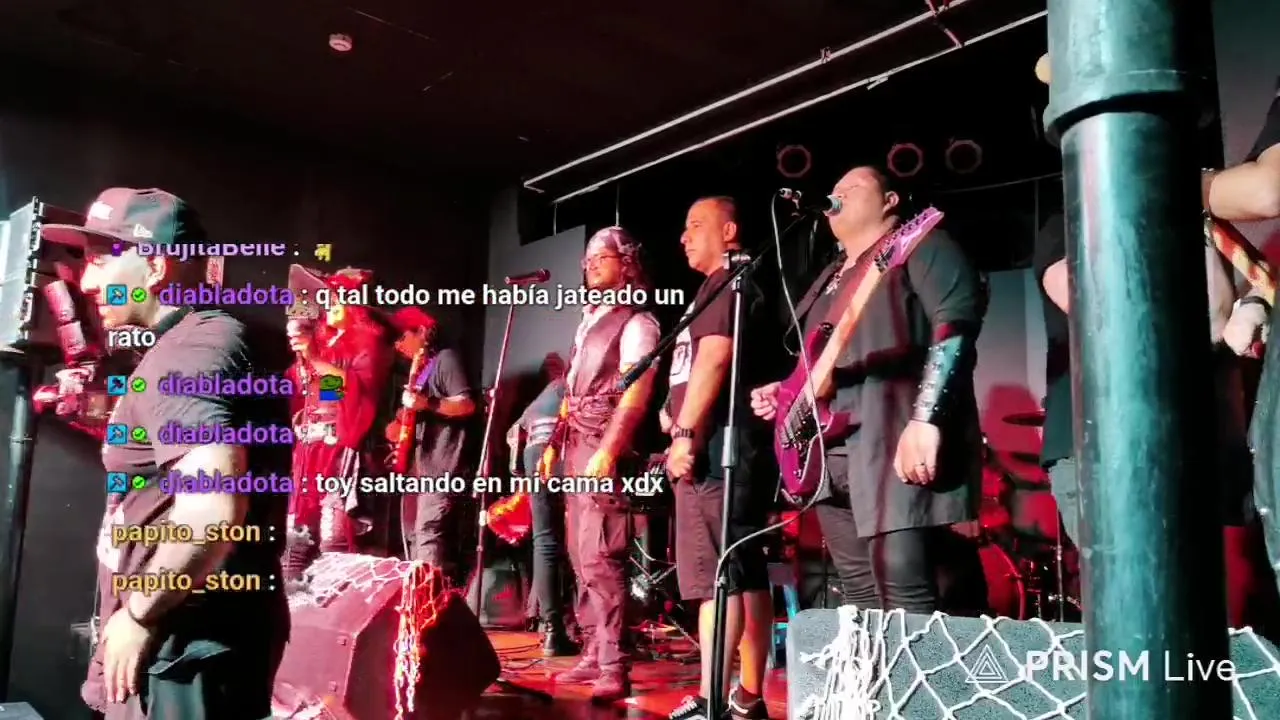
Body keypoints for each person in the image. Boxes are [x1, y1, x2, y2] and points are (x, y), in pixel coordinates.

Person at [1033, 55, 1279, 627]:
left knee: (1205, 595)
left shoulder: (1201, 213)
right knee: (1135, 602)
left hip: (1199, 429)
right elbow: (1097, 304)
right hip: (1106, 439)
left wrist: (1249, 308)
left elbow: (1256, 279)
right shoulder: (1070, 219)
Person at [52, 188, 291, 719]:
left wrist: (139, 614)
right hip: (190, 642)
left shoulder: (190, 353)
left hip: (181, 647)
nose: (86, 282)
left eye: (99, 261)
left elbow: (211, 512)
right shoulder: (194, 344)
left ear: (157, 266)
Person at [751, 168, 984, 615]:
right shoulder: (829, 277)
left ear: (890, 201)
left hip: (891, 438)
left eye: (852, 188)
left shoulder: (922, 244)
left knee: (905, 596)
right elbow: (824, 359)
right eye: (833, 188)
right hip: (831, 455)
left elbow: (955, 325)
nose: (836, 194)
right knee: (859, 601)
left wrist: (927, 417)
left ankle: (918, 667)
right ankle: (873, 668)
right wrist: (788, 392)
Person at [666, 197, 775, 720]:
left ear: (729, 231)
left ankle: (712, 702)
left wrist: (685, 431)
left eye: (696, 225)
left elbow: (713, 357)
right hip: (732, 446)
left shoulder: (727, 282)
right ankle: (748, 698)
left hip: (715, 451)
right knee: (745, 571)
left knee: (717, 575)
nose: (684, 237)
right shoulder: (729, 285)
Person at [547, 226, 661, 701]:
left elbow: (636, 395)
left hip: (602, 444)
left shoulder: (637, 323)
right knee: (580, 552)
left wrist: (609, 450)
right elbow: (572, 391)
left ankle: (615, 661)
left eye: (602, 256)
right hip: (577, 441)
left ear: (627, 261)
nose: (591, 264)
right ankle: (594, 649)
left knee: (601, 553)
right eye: (588, 258)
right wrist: (554, 442)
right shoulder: (590, 319)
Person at [285, 268, 393, 584]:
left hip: (340, 454)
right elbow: (330, 392)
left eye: (338, 299)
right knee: (297, 536)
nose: (330, 304)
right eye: (329, 298)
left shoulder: (369, 343)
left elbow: (355, 389)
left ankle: (335, 602)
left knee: (335, 538)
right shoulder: (329, 343)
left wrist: (314, 359)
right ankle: (292, 601)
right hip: (312, 450)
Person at [389, 306, 476, 584]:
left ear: (422, 332)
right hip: (420, 468)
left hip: (442, 466)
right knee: (414, 536)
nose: (397, 344)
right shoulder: (420, 371)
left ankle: (429, 602)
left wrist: (427, 404)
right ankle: (420, 597)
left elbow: (466, 405)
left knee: (428, 533)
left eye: (402, 336)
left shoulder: (445, 360)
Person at [505, 372, 578, 656]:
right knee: (580, 538)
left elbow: (514, 433)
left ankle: (552, 632)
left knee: (545, 542)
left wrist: (521, 475)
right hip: (562, 452)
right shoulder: (578, 383)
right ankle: (589, 628)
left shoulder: (546, 392)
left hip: (533, 454)